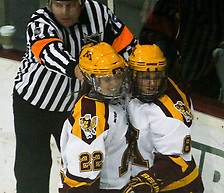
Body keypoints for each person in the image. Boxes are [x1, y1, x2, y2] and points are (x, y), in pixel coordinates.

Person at [12, 0, 137, 192]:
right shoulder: (40, 21)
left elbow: (127, 45)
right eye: (58, 5)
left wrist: (141, 72)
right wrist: (76, 69)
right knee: (32, 169)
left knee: (77, 166)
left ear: (82, 2)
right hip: (33, 104)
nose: (64, 12)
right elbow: (47, 51)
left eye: (70, 5)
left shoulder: (99, 14)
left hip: (72, 108)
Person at [123, 44, 204, 193]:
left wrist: (143, 184)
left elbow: (175, 162)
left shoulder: (170, 114)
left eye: (157, 76)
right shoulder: (129, 87)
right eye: (146, 77)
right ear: (132, 74)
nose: (152, 84)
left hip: (176, 187)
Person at [59, 42, 130, 192]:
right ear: (90, 79)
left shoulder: (113, 103)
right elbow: (80, 181)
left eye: (117, 76)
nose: (114, 84)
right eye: (106, 79)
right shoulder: (92, 117)